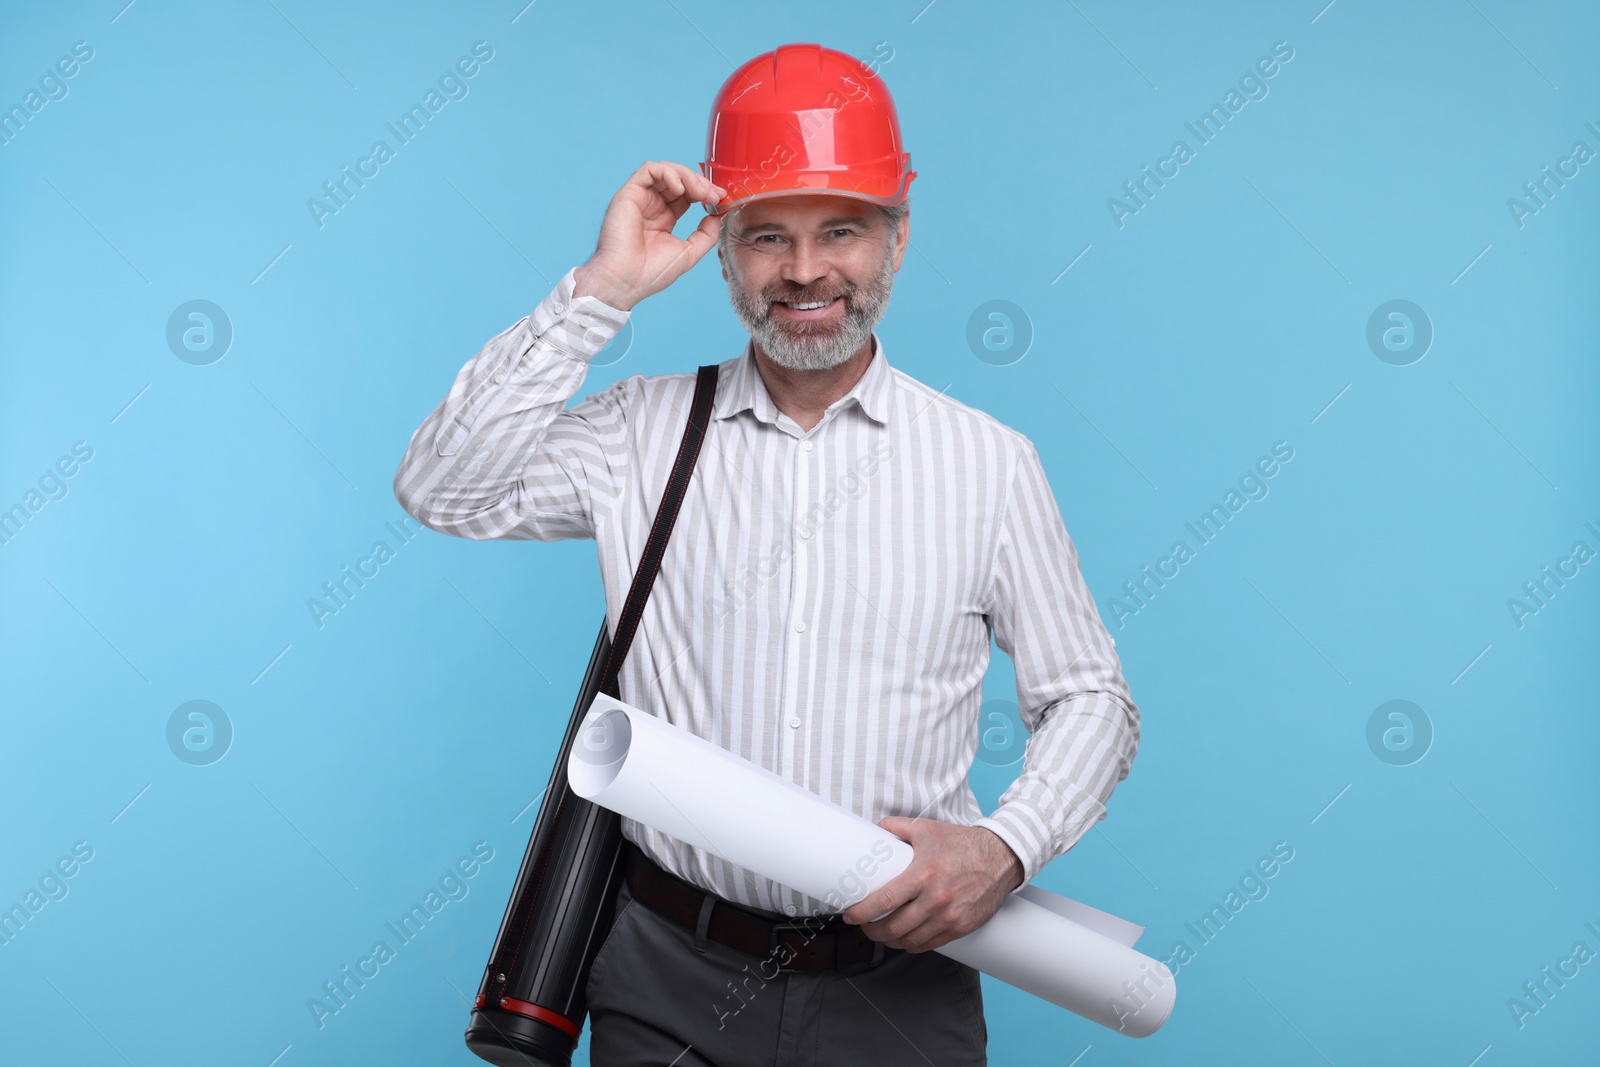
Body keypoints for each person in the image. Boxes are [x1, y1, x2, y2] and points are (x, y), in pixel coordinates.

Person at [394, 42, 1139, 1067]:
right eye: (765, 237)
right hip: (666, 974)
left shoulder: (988, 464)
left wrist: (1007, 848)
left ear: (898, 237)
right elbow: (443, 487)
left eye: (842, 230)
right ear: (720, 242)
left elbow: (1092, 696)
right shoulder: (636, 435)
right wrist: (600, 293)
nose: (803, 271)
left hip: (901, 996)